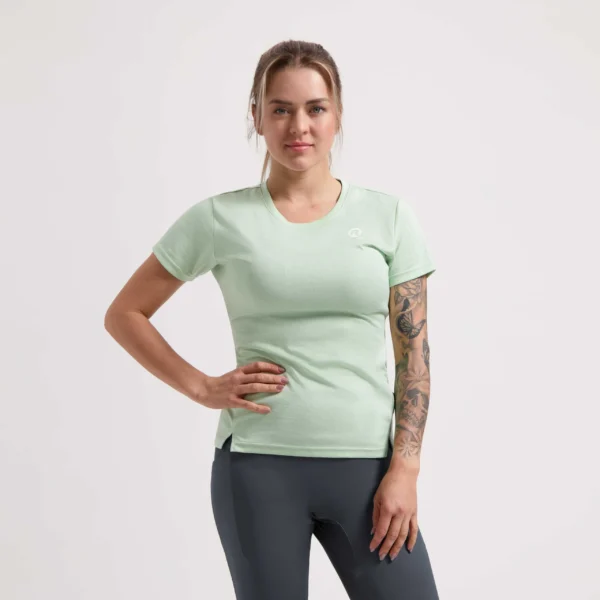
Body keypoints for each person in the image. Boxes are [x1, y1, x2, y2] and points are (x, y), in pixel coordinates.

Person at [105, 39, 439, 600]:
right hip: (258, 469)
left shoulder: (390, 218)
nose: (298, 126)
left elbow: (415, 361)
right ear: (257, 116)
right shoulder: (220, 218)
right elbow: (125, 313)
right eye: (280, 109)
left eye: (315, 108)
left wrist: (404, 470)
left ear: (337, 115)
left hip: (368, 471)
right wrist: (201, 386)